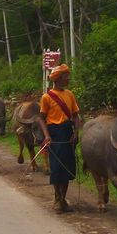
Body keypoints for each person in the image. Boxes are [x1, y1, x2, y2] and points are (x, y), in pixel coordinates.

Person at [37, 64, 81, 213]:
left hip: (68, 132)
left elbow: (75, 116)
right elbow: (41, 119)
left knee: (67, 168)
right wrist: (47, 135)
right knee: (57, 168)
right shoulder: (46, 97)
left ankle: (63, 199)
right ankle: (57, 199)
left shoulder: (70, 94)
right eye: (65, 76)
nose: (68, 78)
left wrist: (76, 132)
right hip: (54, 133)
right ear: (58, 79)